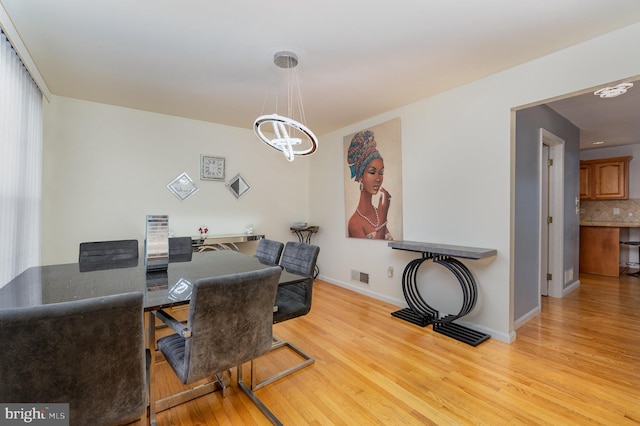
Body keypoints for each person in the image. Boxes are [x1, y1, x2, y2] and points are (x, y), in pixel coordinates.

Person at [347, 130, 392, 240]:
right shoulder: (354, 223)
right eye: (372, 172)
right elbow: (368, 252)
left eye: (381, 173)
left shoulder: (377, 213)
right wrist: (383, 218)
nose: (378, 178)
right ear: (361, 175)